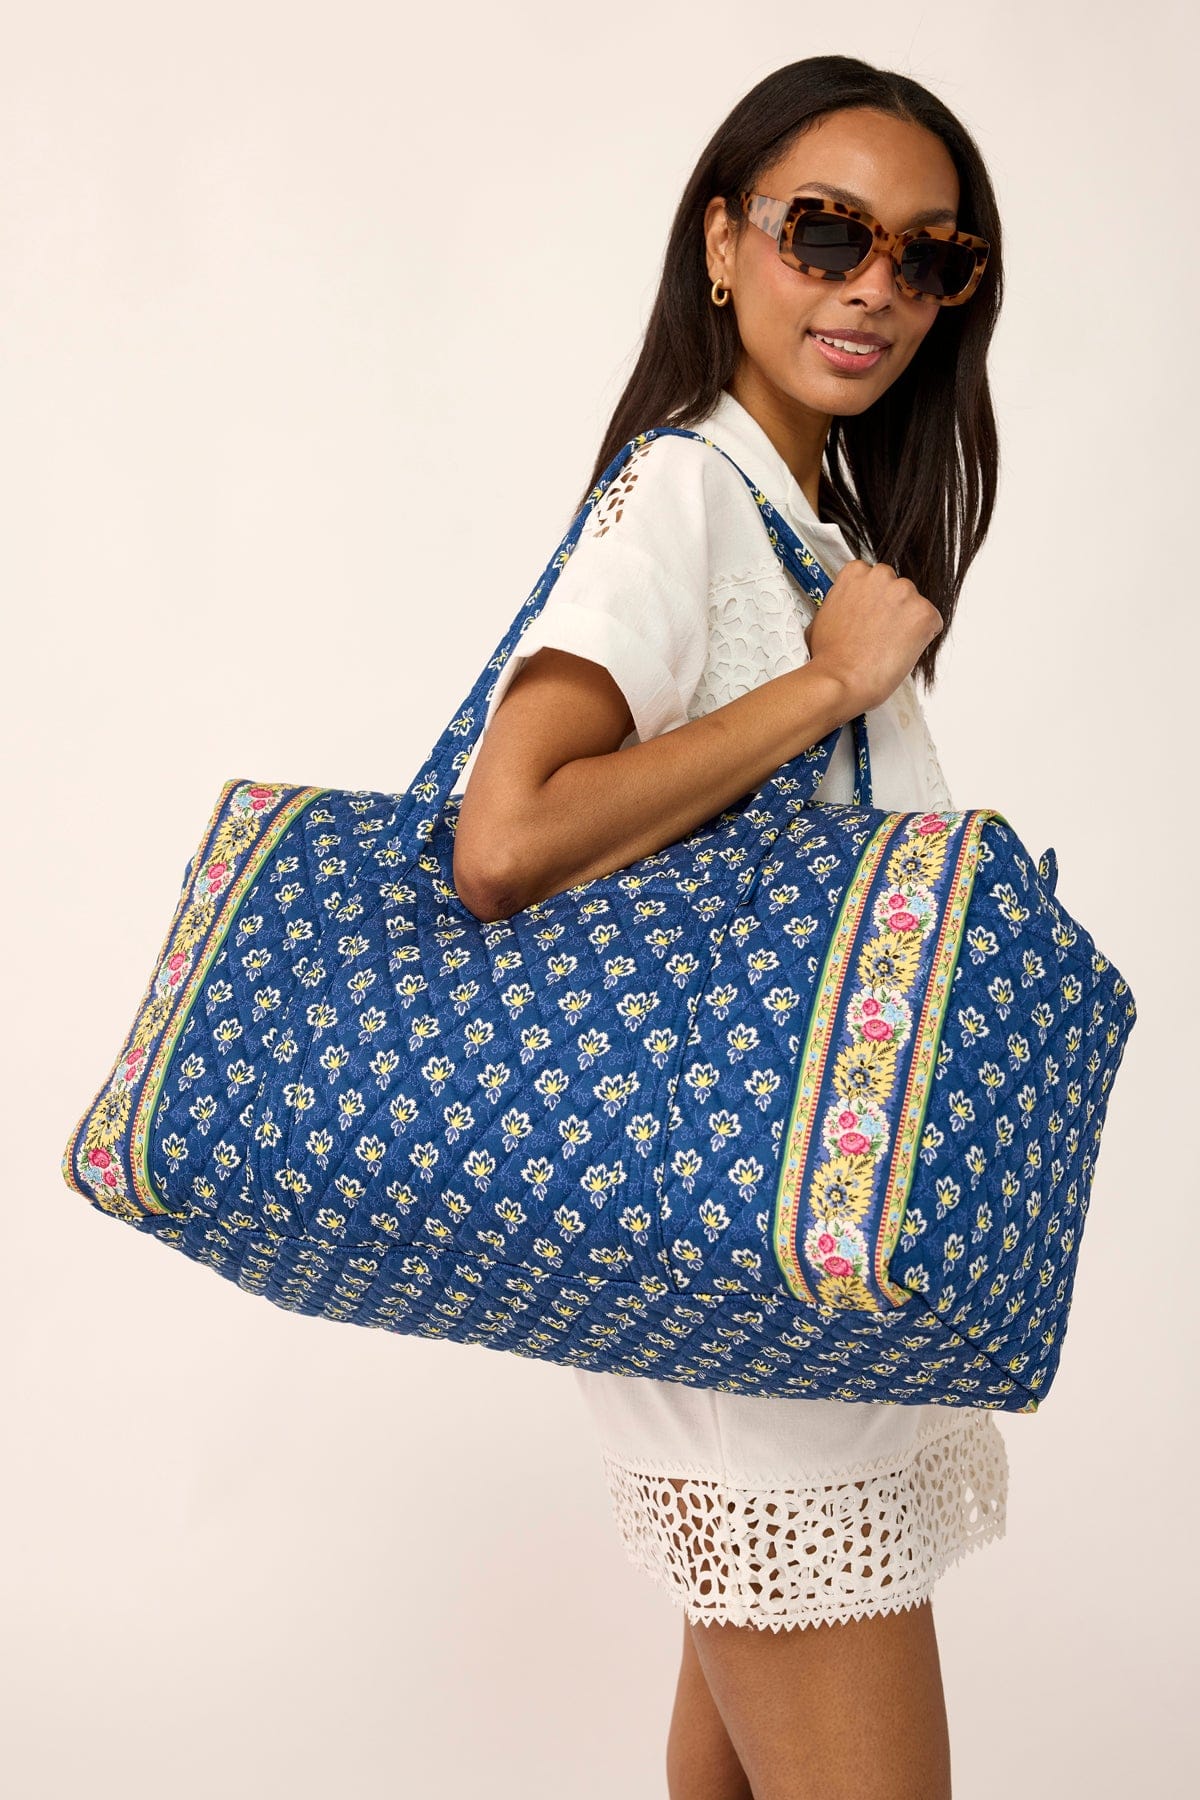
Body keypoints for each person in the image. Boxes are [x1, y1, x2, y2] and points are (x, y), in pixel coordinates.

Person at [452, 54, 1008, 1800]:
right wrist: (837, 684)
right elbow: (507, 839)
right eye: (826, 232)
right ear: (722, 243)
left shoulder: (804, 522)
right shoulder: (683, 497)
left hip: (790, 1274)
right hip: (742, 1281)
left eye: (930, 257)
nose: (875, 288)